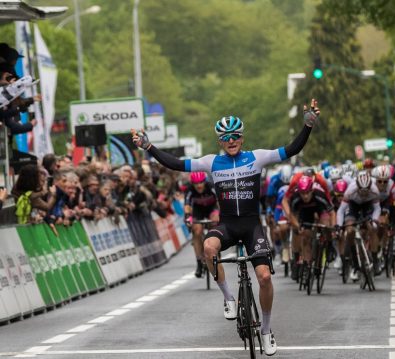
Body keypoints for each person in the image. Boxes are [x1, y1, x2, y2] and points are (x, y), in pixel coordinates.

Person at [132, 99, 320, 356]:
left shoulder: (257, 157)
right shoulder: (211, 163)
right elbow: (175, 163)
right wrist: (149, 147)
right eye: (225, 137)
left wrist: (307, 125)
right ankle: (229, 297)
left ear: (242, 138)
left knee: (264, 277)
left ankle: (265, 330)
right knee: (209, 247)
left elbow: (291, 149)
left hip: (253, 226)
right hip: (228, 226)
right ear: (220, 141)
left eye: (235, 136)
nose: (231, 140)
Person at [336, 171, 381, 282]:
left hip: (367, 206)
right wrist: (339, 225)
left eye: (367, 191)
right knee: (350, 231)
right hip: (353, 205)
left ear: (370, 187)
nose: (364, 193)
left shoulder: (374, 190)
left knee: (372, 229)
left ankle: (375, 260)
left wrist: (374, 222)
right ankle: (355, 264)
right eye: (362, 190)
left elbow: (377, 209)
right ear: (358, 187)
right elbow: (341, 211)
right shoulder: (350, 191)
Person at [184, 172, 219, 278]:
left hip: (211, 209)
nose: (199, 185)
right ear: (192, 184)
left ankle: (215, 249)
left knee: (214, 222)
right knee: (197, 230)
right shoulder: (189, 190)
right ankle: (199, 262)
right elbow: (187, 206)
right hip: (197, 211)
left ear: (205, 181)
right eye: (196, 183)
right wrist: (188, 218)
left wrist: (221, 215)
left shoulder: (211, 186)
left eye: (201, 183)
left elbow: (220, 201)